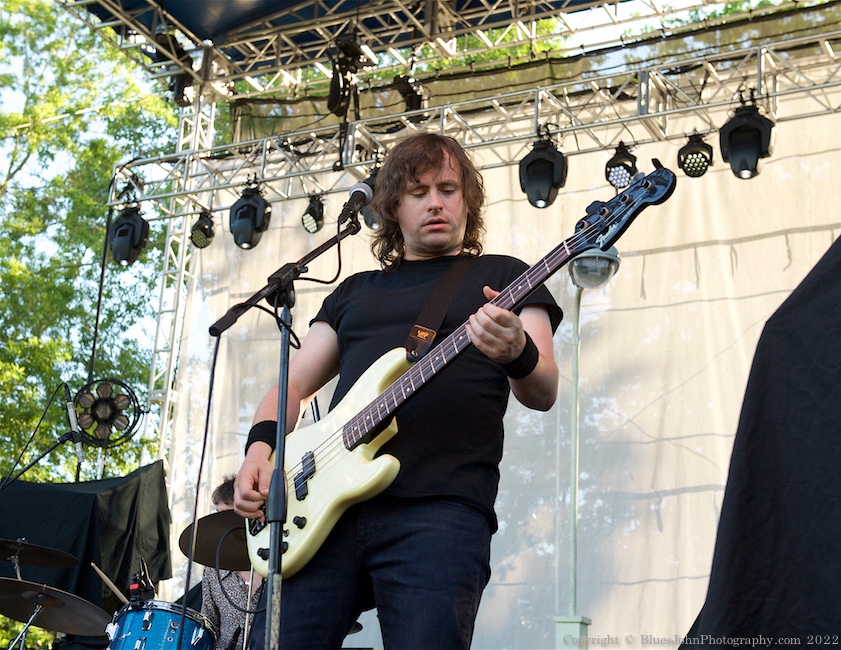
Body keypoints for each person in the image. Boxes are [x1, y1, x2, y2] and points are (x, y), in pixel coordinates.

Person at [234, 132, 562, 649]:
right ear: (392, 207)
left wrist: (517, 351)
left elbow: (543, 390)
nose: (436, 202)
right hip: (321, 510)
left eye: (449, 189)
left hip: (439, 512)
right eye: (418, 191)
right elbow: (290, 384)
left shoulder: (506, 277)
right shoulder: (355, 293)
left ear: (468, 201)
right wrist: (260, 450)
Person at [201, 475, 263, 650]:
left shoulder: (278, 559)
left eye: (228, 516)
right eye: (218, 516)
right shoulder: (213, 569)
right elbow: (208, 623)